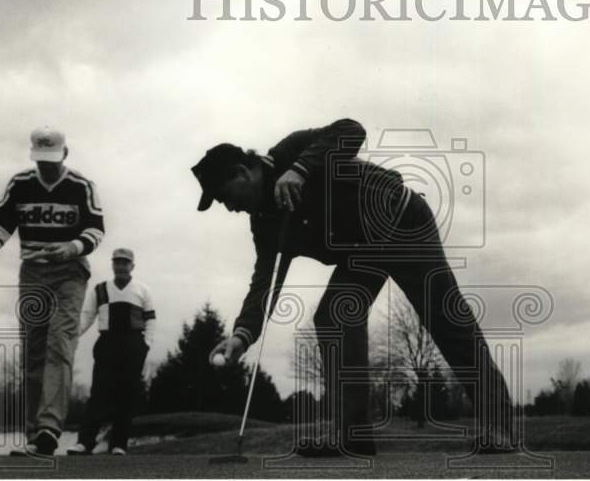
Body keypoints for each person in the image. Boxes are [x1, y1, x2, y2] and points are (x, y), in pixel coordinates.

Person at [191, 117, 514, 457]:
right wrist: (242, 335)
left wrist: (300, 169)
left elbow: (351, 130)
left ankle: (501, 428)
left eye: (225, 197)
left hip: (400, 219)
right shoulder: (264, 225)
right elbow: (264, 283)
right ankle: (352, 435)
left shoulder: (291, 151)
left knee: (445, 317)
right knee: (334, 316)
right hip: (362, 250)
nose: (230, 208)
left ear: (242, 172)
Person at [0, 127, 105, 456]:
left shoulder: (81, 186)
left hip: (70, 272)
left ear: (64, 154)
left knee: (59, 343)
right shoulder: (20, 184)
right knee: (34, 352)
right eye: (41, 160)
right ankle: (34, 433)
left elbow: (96, 229)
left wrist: (71, 247)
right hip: (33, 273)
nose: (47, 166)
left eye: (52, 160)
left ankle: (49, 429)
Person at [67, 248, 155, 456]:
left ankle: (119, 444)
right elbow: (87, 316)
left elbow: (150, 319)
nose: (121, 266)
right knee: (99, 393)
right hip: (107, 343)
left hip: (133, 343)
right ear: (112, 264)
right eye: (117, 262)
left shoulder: (142, 289)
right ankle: (85, 443)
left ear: (132, 266)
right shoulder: (100, 289)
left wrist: (146, 344)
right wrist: (72, 336)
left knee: (126, 394)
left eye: (125, 262)